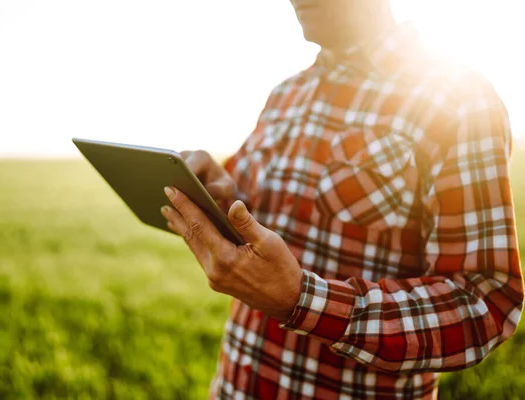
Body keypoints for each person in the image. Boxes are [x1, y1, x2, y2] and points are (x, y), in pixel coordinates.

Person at [159, 0, 524, 398]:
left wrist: (302, 299)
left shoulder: (458, 101)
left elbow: (484, 302)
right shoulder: (285, 95)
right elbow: (251, 214)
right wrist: (221, 194)